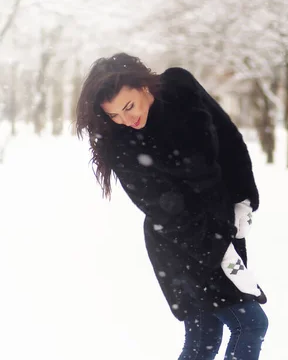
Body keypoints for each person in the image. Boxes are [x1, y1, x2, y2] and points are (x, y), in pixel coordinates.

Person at [75, 53, 268, 360]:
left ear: (144, 86)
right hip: (183, 244)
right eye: (114, 115)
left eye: (128, 107)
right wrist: (222, 253)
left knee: (205, 335)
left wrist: (242, 199)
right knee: (251, 325)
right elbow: (169, 212)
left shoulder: (181, 88)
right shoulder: (121, 145)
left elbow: (229, 140)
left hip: (222, 223)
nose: (126, 120)